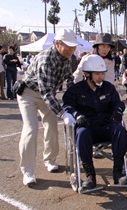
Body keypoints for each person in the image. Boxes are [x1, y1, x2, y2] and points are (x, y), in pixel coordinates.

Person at [17, 29, 81, 186]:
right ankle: (28, 171)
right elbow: (46, 92)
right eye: (68, 47)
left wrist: (76, 97)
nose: (72, 50)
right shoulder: (46, 59)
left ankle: (50, 160)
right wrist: (62, 113)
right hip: (29, 94)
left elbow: (69, 79)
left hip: (48, 94)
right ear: (57, 44)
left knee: (52, 127)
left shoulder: (67, 58)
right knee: (31, 129)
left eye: (74, 47)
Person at [62, 54, 127, 189]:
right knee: (81, 134)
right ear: (87, 74)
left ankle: (117, 172)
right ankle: (90, 175)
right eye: (97, 74)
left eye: (102, 73)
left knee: (121, 132)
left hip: (106, 126)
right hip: (87, 127)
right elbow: (67, 105)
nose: (101, 77)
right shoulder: (75, 90)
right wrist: (77, 115)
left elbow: (118, 103)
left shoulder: (109, 88)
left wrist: (118, 111)